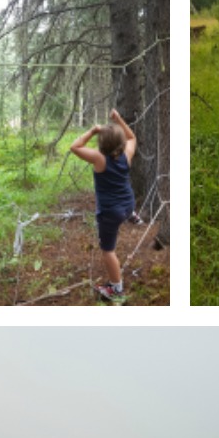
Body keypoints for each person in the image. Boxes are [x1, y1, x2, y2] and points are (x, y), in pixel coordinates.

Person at [70, 109, 137, 303]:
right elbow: (132, 136)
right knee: (125, 212)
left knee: (108, 250)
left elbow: (75, 147)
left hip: (111, 212)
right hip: (128, 204)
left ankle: (116, 289)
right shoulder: (127, 154)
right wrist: (118, 119)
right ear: (121, 142)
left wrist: (92, 131)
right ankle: (132, 215)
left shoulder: (100, 159)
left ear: (102, 143)